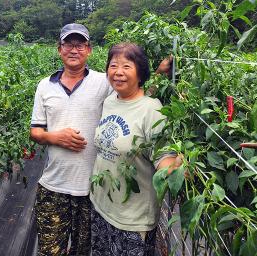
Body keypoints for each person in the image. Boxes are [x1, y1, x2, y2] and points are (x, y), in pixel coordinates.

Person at [90, 43, 181, 256]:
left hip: (132, 220)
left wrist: (177, 168)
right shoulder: (110, 100)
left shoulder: (154, 110)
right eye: (113, 66)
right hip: (101, 207)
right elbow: (133, 104)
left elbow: (163, 160)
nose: (118, 72)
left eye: (126, 67)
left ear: (140, 73)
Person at [30, 23, 112, 256]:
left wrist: (159, 73)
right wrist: (56, 137)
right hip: (53, 186)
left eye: (80, 44)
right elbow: (35, 131)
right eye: (68, 44)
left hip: (91, 188)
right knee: (50, 250)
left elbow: (133, 94)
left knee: (83, 251)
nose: (73, 49)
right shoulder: (45, 86)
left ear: (89, 50)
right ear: (59, 49)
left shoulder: (103, 82)